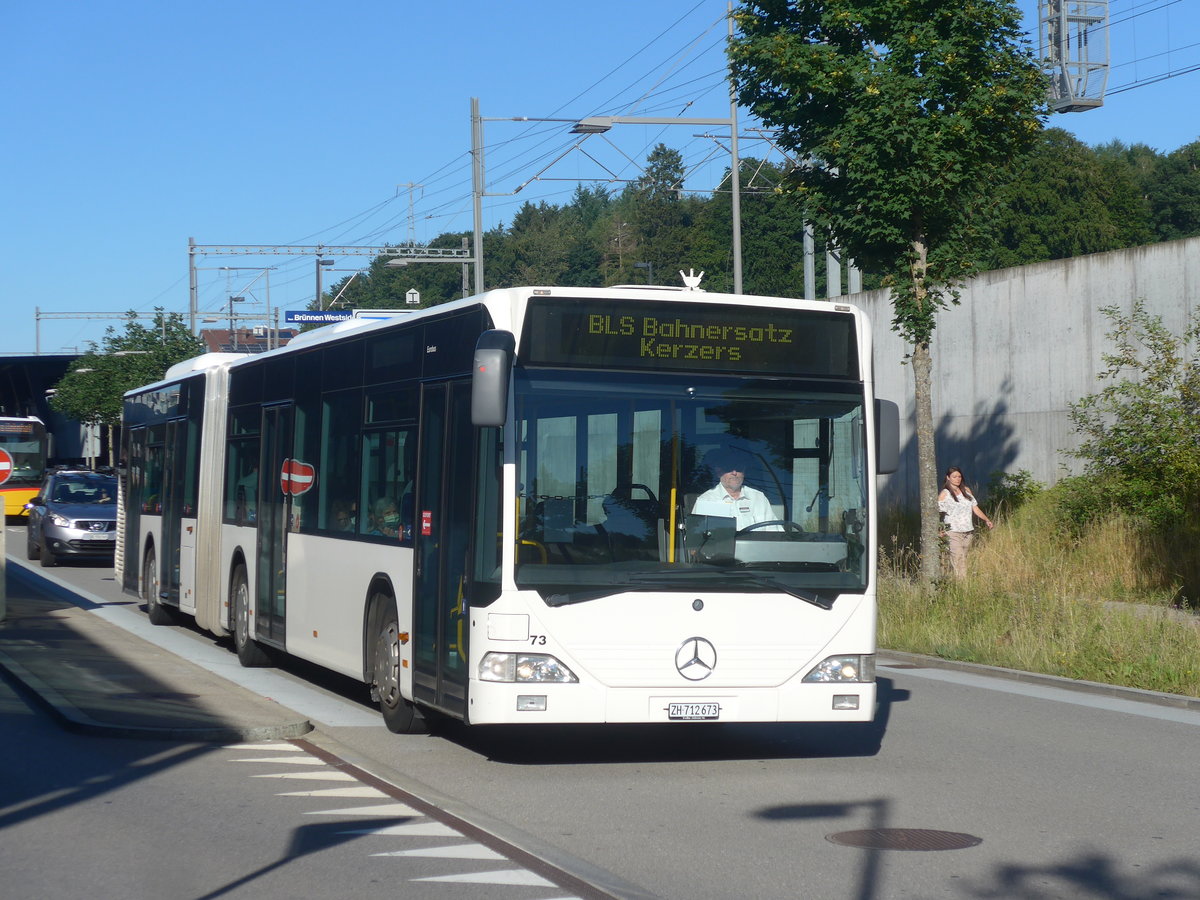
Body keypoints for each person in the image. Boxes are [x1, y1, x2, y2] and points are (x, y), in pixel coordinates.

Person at [691, 449, 776, 531]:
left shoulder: (758, 498)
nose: (734, 472)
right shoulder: (706, 500)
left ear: (744, 471)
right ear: (718, 472)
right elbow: (695, 538)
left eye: (738, 468)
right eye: (729, 468)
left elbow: (775, 533)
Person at [937, 466, 993, 579]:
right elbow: (938, 513)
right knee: (959, 560)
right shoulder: (945, 493)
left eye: (959, 476)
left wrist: (986, 520)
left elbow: (975, 508)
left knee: (963, 558)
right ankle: (963, 587)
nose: (957, 479)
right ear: (948, 478)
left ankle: (953, 579)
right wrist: (939, 529)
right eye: (954, 477)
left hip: (968, 531)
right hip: (952, 532)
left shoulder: (966, 491)